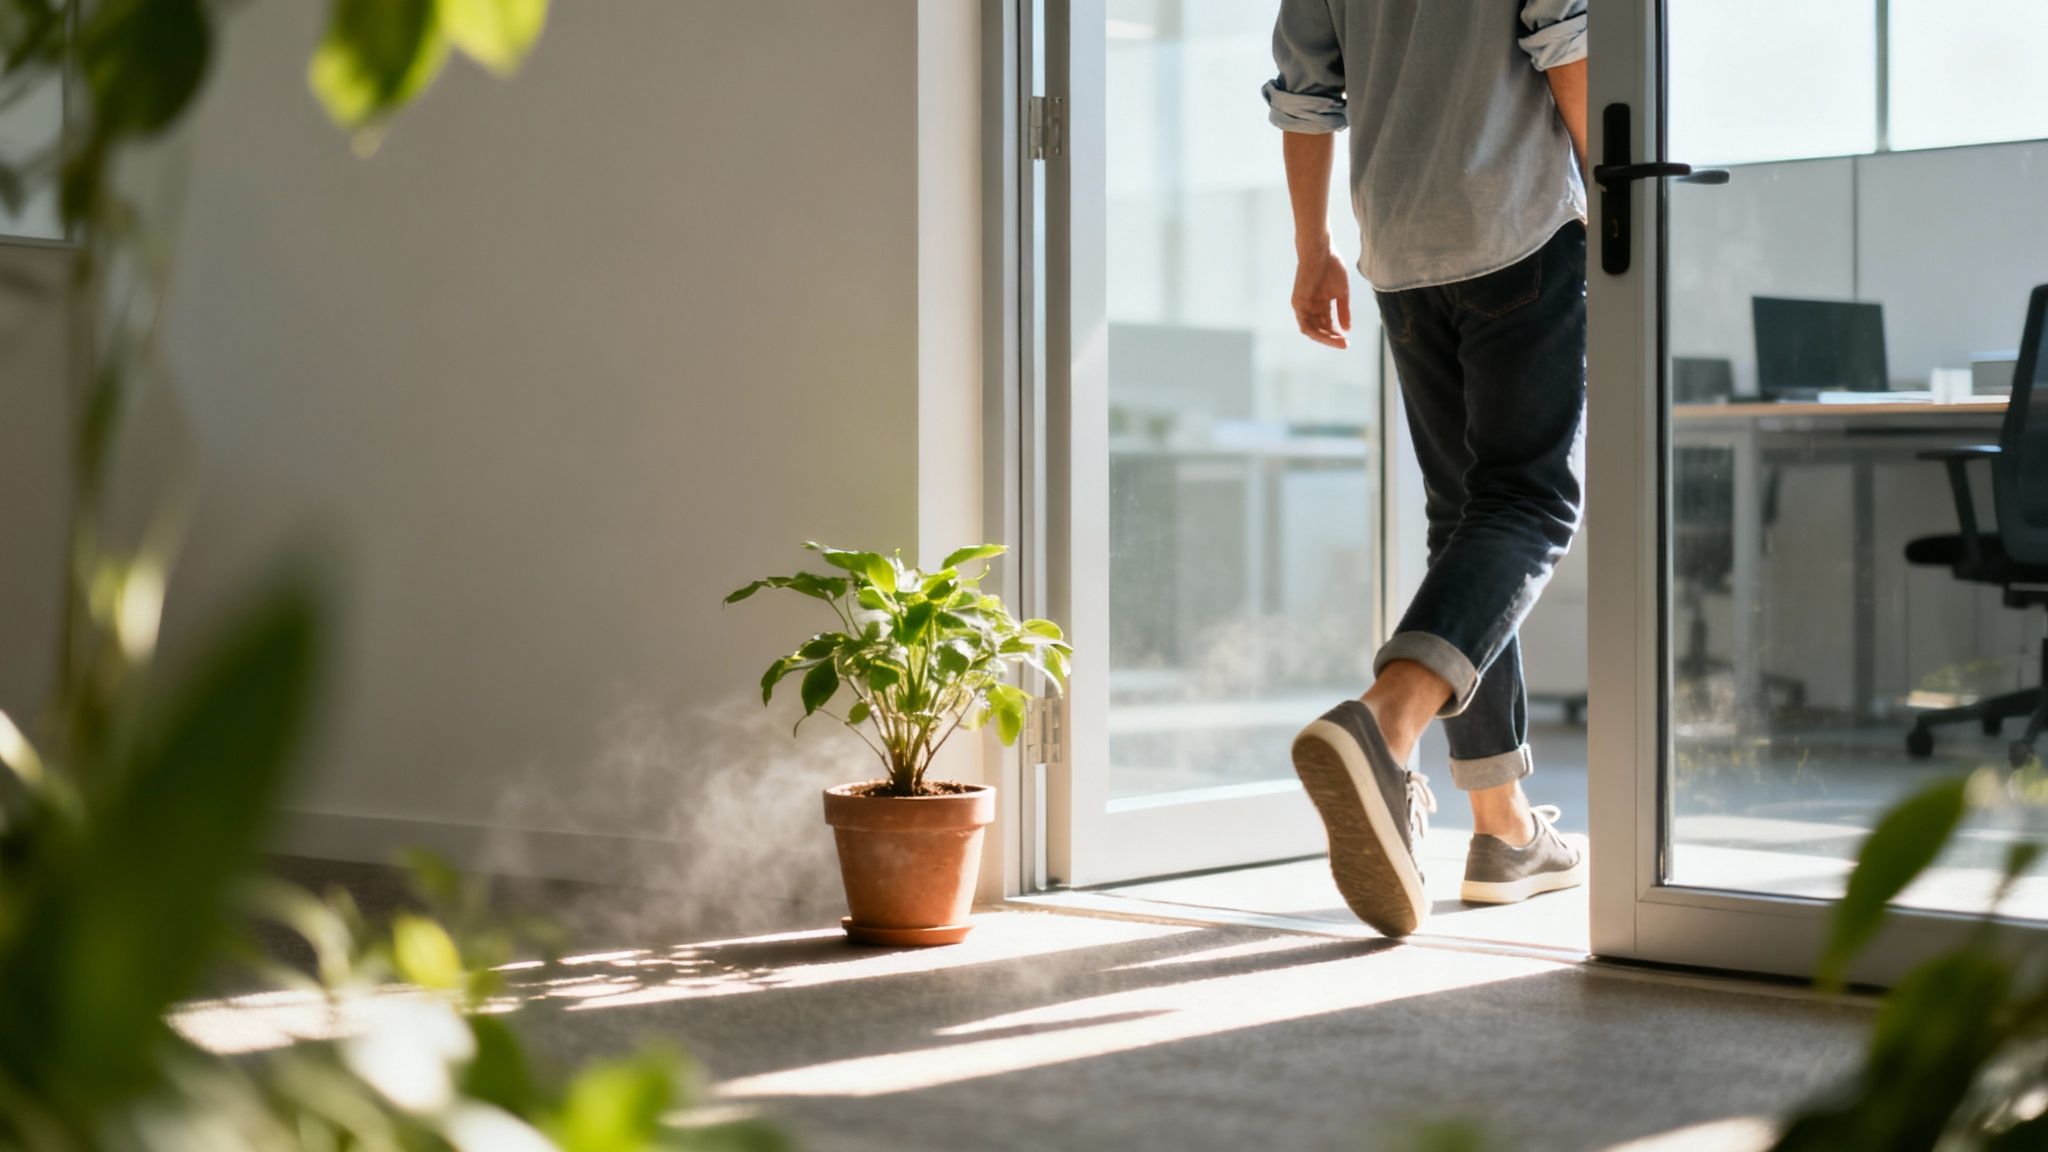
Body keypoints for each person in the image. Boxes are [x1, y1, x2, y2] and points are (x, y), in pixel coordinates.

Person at [1268, 0, 1591, 937]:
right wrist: (1620, 195)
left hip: (1399, 247)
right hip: (1516, 225)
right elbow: (1566, 37)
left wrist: (1312, 249)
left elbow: (1302, 91)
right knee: (1529, 506)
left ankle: (1504, 829)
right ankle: (1388, 720)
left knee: (1467, 522)